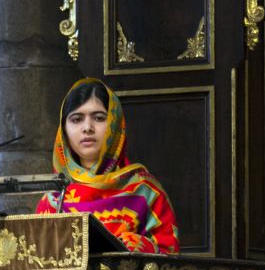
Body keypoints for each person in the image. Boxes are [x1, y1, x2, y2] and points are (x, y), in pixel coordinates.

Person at [36, 78, 180, 254]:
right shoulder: (54, 200)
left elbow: (171, 258)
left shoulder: (146, 192)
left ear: (116, 123)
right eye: (76, 119)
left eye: (98, 118)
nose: (87, 128)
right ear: (63, 130)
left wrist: (143, 247)